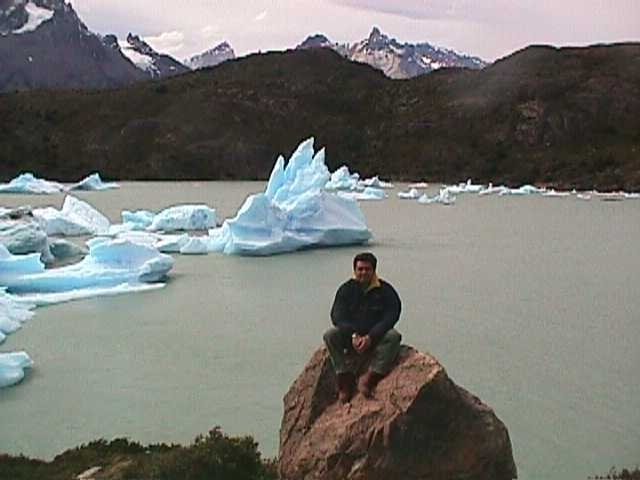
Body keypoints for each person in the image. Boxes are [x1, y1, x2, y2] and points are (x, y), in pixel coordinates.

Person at [323, 252, 402, 403]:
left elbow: (392, 315)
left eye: (367, 269)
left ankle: (370, 377)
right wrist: (353, 335)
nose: (363, 273)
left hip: (375, 338)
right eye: (360, 269)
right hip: (351, 337)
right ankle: (344, 378)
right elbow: (337, 315)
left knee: (393, 337)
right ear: (355, 270)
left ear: (374, 270)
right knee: (330, 335)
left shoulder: (385, 291)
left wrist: (371, 337)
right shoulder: (346, 290)